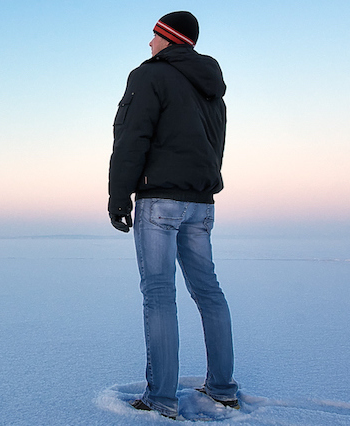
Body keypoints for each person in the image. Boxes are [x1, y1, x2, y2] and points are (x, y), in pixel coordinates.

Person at [107, 10, 238, 420]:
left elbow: (131, 137)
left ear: (169, 38)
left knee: (160, 294)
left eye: (154, 36)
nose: (149, 44)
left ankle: (162, 398)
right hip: (201, 203)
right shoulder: (212, 87)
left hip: (160, 202)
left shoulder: (149, 75)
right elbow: (215, 146)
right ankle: (223, 388)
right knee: (209, 292)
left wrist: (118, 196)